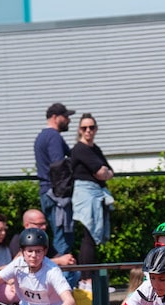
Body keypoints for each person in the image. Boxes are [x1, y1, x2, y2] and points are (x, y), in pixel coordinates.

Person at [69, 112, 114, 292]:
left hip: (96, 194)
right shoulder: (80, 149)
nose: (88, 131)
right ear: (79, 130)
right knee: (88, 236)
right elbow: (101, 172)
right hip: (85, 195)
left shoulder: (95, 148)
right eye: (84, 128)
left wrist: (105, 172)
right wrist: (104, 172)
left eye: (92, 127)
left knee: (93, 238)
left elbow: (109, 171)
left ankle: (90, 280)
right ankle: (86, 280)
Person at [34, 102, 76, 257]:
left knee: (57, 237)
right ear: (55, 117)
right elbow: (59, 166)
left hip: (47, 192)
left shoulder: (41, 137)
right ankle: (63, 277)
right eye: (65, 116)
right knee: (63, 239)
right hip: (57, 195)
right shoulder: (53, 137)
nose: (68, 120)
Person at [8, 209, 76, 269]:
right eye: (40, 224)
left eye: (44, 224)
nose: (44, 227)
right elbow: (23, 264)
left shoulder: (43, 238)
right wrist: (59, 261)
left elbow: (55, 256)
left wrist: (68, 259)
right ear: (27, 225)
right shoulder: (18, 240)